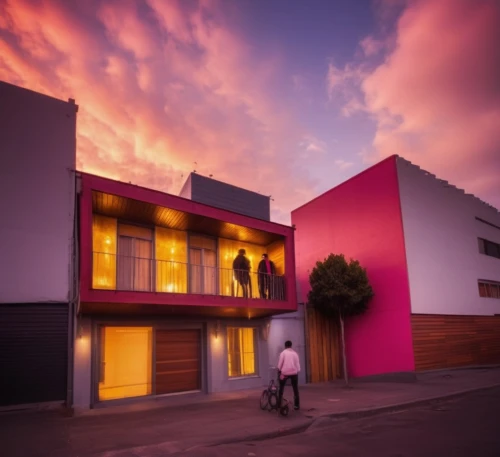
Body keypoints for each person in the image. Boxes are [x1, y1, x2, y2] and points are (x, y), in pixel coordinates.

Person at [277, 340, 300, 410]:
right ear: (291, 345)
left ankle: (279, 404)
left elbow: (280, 364)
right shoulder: (295, 354)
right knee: (295, 388)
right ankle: (296, 405)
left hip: (285, 373)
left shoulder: (283, 353)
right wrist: (297, 370)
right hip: (294, 373)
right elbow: (297, 364)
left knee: (281, 387)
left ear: (285, 346)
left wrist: (279, 369)